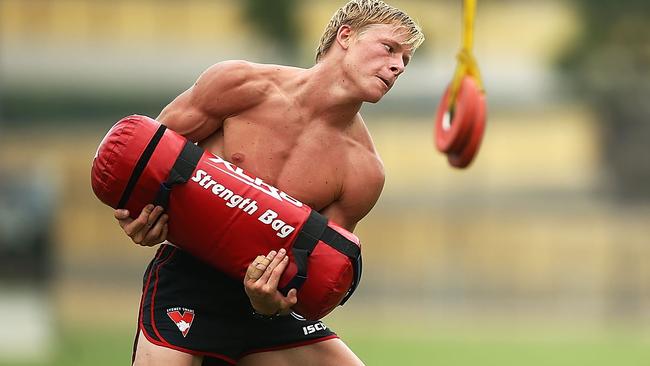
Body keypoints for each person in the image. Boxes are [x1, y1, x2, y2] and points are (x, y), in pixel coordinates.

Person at [113, 1, 424, 365]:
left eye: (406, 59)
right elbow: (143, 163)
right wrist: (139, 218)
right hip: (188, 280)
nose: (398, 66)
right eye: (390, 48)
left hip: (264, 309)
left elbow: (308, 273)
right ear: (346, 36)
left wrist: (272, 303)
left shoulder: (364, 171)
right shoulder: (239, 85)